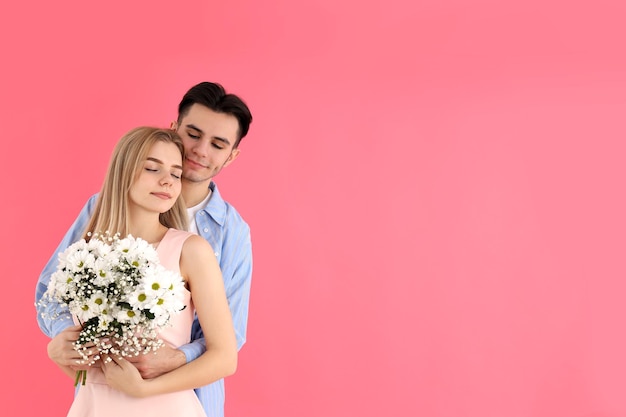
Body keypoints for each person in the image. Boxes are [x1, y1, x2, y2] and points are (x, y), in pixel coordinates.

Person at [35, 82, 253, 417]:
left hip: (188, 398)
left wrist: (171, 362)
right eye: (193, 134)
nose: (200, 150)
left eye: (218, 144)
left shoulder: (225, 235)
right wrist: (66, 342)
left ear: (231, 155)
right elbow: (52, 293)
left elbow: (228, 341)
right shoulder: (101, 213)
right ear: (174, 128)